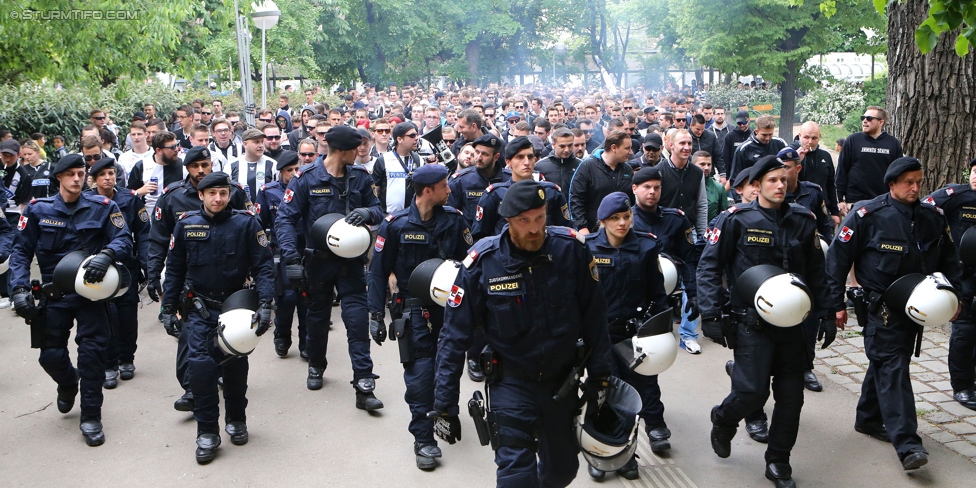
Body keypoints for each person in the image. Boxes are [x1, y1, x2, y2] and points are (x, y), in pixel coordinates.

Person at [429, 180, 612, 487]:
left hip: (561, 382)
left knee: (562, 471)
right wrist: (444, 403)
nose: (533, 229)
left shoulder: (571, 251)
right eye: (523, 221)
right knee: (516, 477)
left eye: (540, 218)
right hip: (510, 383)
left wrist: (601, 378)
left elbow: (595, 318)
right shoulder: (481, 263)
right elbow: (453, 336)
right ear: (508, 220)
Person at [698, 156, 831, 488]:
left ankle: (778, 460)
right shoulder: (735, 220)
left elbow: (817, 271)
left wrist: (828, 310)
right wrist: (711, 313)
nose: (780, 185)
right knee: (751, 393)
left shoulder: (802, 220)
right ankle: (723, 418)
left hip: (793, 327)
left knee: (791, 398)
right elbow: (709, 267)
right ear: (755, 186)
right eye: (772, 180)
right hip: (751, 324)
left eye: (783, 179)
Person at [827, 157, 961, 471]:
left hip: (916, 307)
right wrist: (834, 305)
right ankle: (908, 444)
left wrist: (955, 299)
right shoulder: (867, 215)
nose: (915, 188)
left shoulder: (932, 216)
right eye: (908, 183)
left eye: (919, 181)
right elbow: (836, 261)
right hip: (881, 309)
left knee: (887, 362)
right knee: (894, 366)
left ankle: (869, 418)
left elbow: (948, 260)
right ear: (891, 184)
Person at [9, 154, 132, 447]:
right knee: (49, 355)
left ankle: (91, 416)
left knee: (92, 358)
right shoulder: (39, 210)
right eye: (71, 174)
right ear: (59, 178)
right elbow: (22, 252)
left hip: (91, 294)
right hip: (54, 296)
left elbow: (123, 239)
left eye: (81, 173)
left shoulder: (103, 207)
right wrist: (18, 290)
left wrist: (107, 255)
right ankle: (67, 383)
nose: (77, 178)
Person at [162, 171, 275, 464]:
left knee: (236, 367)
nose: (218, 198)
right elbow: (174, 270)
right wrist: (167, 308)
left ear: (229, 195)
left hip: (236, 308)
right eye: (211, 193)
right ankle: (207, 431)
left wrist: (265, 304)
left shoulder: (247, 223)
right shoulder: (186, 225)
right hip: (199, 307)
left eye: (223, 193)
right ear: (201, 195)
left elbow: (263, 267)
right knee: (201, 368)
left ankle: (236, 419)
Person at [367, 164, 472, 470]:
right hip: (413, 312)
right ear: (428, 191)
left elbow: (471, 264)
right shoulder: (395, 225)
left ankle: (446, 414)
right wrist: (376, 313)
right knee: (421, 377)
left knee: (448, 368)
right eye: (444, 186)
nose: (449, 190)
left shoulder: (454, 220)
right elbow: (377, 272)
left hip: (450, 309)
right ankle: (424, 439)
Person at [275, 125, 385, 410]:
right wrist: (291, 259)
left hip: (351, 264)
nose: (361, 154)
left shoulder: (360, 177)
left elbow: (378, 210)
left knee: (357, 321)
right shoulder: (306, 178)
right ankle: (316, 363)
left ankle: (364, 382)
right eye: (356, 149)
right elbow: (285, 219)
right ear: (342, 151)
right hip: (318, 263)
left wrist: (367, 212)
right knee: (317, 318)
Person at [145, 146, 254, 413]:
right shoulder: (172, 197)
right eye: (195, 166)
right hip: (188, 276)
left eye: (205, 164)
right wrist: (153, 275)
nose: (201, 170)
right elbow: (159, 240)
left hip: (229, 280)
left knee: (227, 338)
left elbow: (249, 231)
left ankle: (220, 381)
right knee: (190, 336)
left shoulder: (234, 192)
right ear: (188, 169)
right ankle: (193, 388)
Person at [585, 192, 670, 481]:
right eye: (615, 218)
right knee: (603, 396)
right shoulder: (587, 248)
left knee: (634, 396)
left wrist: (660, 332)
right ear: (603, 221)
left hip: (634, 335)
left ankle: (627, 455)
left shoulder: (646, 246)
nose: (622, 223)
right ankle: (600, 454)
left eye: (626, 216)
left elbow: (658, 295)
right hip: (599, 336)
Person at [85, 157, 150, 388]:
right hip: (97, 268)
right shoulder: (86, 201)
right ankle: (109, 363)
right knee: (105, 316)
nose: (108, 178)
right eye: (102, 174)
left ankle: (126, 359)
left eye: (111, 173)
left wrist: (147, 265)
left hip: (125, 265)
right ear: (93, 179)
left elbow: (143, 233)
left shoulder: (129, 199)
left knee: (127, 315)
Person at [923, 158, 976, 411]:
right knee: (965, 331)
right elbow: (925, 209)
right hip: (962, 275)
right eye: (975, 172)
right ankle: (963, 386)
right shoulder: (956, 195)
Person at [630, 167, 701, 354]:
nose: (652, 192)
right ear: (634, 188)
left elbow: (688, 259)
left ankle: (688, 336)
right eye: (647, 187)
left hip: (669, 288)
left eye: (657, 187)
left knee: (660, 348)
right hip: (637, 292)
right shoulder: (625, 222)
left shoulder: (676, 219)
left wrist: (693, 292)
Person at [255, 151, 308, 359]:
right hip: (280, 252)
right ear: (281, 172)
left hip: (306, 250)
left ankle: (307, 342)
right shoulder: (269, 192)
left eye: (298, 169)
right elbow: (259, 224)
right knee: (286, 299)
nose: (295, 173)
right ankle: (282, 336)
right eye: (290, 170)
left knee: (307, 300)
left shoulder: (308, 188)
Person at [471, 137, 571, 240]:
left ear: (535, 160)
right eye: (520, 157)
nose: (526, 162)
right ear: (508, 162)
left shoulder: (551, 192)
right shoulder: (494, 194)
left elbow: (566, 231)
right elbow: (480, 236)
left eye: (530, 157)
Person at [835, 106, 904, 215]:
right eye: (863, 118)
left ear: (881, 122)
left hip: (884, 202)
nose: (865, 121)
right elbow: (842, 170)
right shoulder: (853, 140)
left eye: (869, 118)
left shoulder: (893, 143)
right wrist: (840, 199)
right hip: (855, 201)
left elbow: (899, 175)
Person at [569, 130, 635, 234]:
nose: (631, 152)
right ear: (614, 148)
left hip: (622, 231)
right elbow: (576, 199)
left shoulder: (627, 170)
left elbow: (632, 201)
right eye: (627, 148)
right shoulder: (587, 167)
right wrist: (582, 227)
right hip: (593, 232)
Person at [447, 134, 511, 231]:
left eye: (485, 154)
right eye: (477, 152)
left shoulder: (509, 179)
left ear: (496, 157)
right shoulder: (460, 180)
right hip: (471, 241)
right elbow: (449, 215)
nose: (479, 157)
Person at [656, 129, 708, 237]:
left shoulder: (698, 172)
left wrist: (702, 235)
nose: (687, 147)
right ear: (671, 145)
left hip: (689, 231)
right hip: (664, 230)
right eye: (682, 143)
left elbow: (701, 205)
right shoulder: (658, 171)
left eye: (689, 143)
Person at [372, 122, 423, 213]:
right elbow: (376, 190)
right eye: (412, 136)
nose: (416, 138)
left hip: (413, 216)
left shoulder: (419, 160)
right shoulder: (383, 160)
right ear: (399, 139)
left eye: (416, 135)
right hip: (388, 216)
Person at [728, 115, 787, 184]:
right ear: (756, 131)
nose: (767, 138)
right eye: (764, 135)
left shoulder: (780, 143)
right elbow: (735, 178)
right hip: (753, 190)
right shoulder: (743, 149)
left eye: (770, 134)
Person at [534, 128, 580, 203]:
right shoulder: (539, 166)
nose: (567, 150)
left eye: (570, 145)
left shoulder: (582, 165)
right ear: (553, 144)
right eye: (562, 146)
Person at [231, 129, 278, 203]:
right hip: (240, 212)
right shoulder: (232, 165)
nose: (261, 145)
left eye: (262, 142)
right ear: (245, 144)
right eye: (256, 142)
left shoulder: (272, 164)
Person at [692, 150, 729, 222]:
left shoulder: (719, 188)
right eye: (702, 164)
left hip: (710, 229)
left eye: (709, 164)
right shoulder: (686, 184)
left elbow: (724, 215)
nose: (706, 168)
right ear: (693, 165)